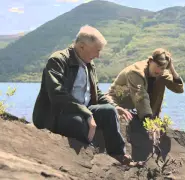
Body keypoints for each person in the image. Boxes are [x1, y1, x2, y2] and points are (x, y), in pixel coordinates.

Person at [32, 25, 135, 165]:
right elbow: (57, 94)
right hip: (57, 113)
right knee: (78, 122)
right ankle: (88, 155)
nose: (98, 56)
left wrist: (114, 106)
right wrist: (86, 113)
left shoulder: (89, 64)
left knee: (109, 111)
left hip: (82, 110)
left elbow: (96, 91)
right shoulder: (58, 60)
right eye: (97, 51)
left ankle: (118, 154)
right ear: (81, 46)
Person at [106, 48, 184, 160]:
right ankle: (147, 118)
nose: (159, 70)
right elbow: (141, 96)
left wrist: (171, 68)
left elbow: (178, 89)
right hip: (117, 100)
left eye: (163, 68)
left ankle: (151, 116)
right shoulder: (136, 72)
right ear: (150, 60)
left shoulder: (160, 72)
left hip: (135, 105)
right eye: (157, 66)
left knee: (161, 79)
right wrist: (149, 123)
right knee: (141, 96)